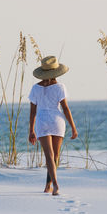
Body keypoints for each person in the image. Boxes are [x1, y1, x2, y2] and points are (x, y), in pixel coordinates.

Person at [28, 55, 78, 196]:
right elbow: (66, 108)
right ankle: (52, 184)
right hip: (57, 121)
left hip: (42, 121)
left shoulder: (35, 88)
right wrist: (73, 128)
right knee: (55, 156)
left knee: (49, 156)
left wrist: (31, 130)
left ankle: (51, 184)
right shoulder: (60, 87)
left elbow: (33, 112)